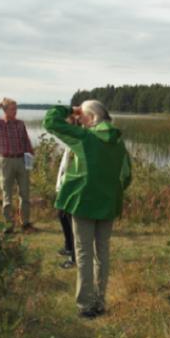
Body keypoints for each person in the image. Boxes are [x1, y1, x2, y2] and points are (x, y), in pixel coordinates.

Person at [43, 100, 132, 319]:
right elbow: (127, 175)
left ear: (91, 118)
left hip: (83, 202)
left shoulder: (85, 138)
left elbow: (49, 122)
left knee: (83, 253)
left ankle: (85, 304)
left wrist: (68, 110)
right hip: (108, 203)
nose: (79, 119)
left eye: (81, 115)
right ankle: (100, 301)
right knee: (102, 252)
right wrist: (109, 190)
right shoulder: (119, 142)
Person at [0, 98, 36, 234]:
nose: (15, 111)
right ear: (5, 110)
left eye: (16, 108)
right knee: (7, 194)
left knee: (25, 193)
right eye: (12, 109)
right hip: (6, 161)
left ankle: (25, 223)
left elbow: (26, 140)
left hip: (21, 160)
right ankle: (8, 225)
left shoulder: (20, 124)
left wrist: (30, 153)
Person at [55, 117, 77, 269]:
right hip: (64, 186)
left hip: (72, 188)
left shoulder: (79, 140)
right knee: (62, 215)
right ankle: (69, 246)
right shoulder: (71, 140)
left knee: (72, 221)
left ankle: (74, 258)